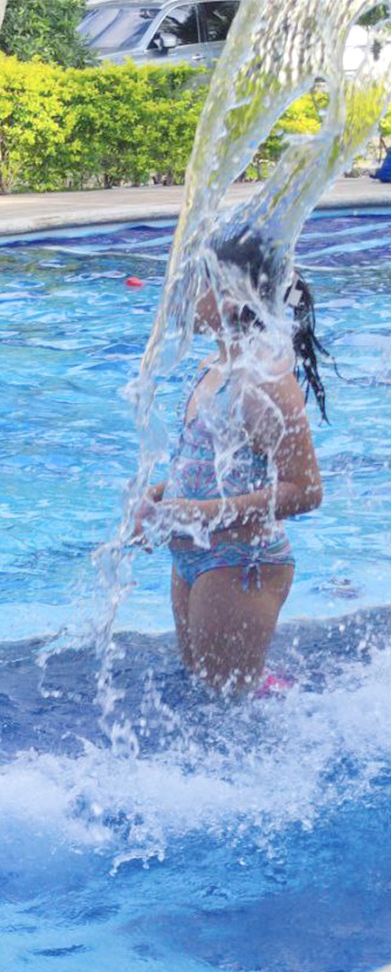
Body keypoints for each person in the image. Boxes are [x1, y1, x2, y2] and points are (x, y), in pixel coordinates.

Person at [134, 228, 326, 694]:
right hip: (192, 557)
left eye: (196, 283)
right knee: (205, 692)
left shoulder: (265, 380)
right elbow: (202, 463)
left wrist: (200, 514)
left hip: (241, 561)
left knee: (229, 708)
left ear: (230, 297)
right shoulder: (212, 368)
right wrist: (159, 497)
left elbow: (307, 490)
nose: (184, 294)